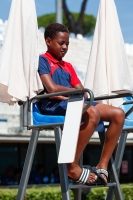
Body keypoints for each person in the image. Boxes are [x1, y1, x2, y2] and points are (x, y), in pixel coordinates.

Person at [38, 22, 125, 186]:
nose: (65, 47)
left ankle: (102, 165)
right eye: (61, 43)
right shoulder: (42, 60)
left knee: (118, 114)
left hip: (72, 101)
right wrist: (71, 92)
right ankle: (72, 166)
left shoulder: (68, 66)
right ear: (48, 41)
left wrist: (74, 93)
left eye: (67, 44)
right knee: (93, 112)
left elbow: (83, 91)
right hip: (52, 105)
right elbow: (51, 88)